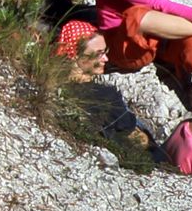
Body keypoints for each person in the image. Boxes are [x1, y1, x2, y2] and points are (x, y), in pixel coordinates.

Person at [53, 17, 155, 151]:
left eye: (105, 52)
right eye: (99, 54)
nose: (106, 59)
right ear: (76, 55)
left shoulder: (55, 86)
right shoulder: (107, 95)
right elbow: (135, 139)